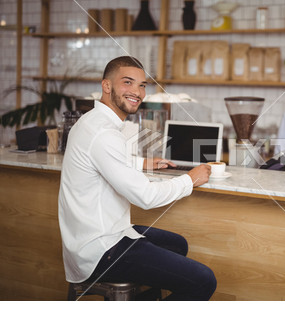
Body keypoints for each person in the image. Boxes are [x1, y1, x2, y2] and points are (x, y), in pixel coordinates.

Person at [58, 56, 216, 300]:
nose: (137, 91)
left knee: (177, 245)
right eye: (128, 82)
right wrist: (190, 179)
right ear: (107, 86)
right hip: (101, 249)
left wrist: (141, 163)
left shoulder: (90, 121)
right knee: (203, 280)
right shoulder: (104, 133)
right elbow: (146, 197)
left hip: (95, 236)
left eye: (142, 85)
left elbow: (101, 160)